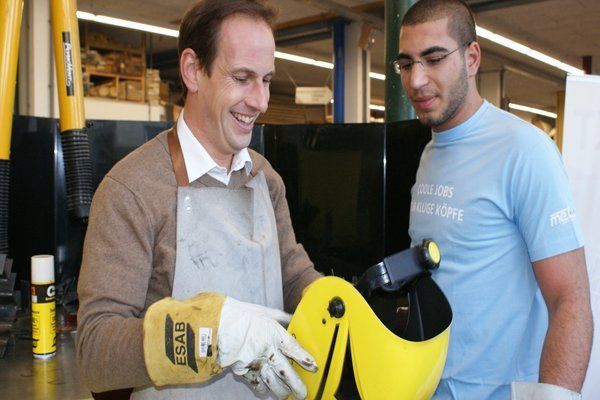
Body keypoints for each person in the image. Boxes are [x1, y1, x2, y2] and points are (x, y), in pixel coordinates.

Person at [76, 1, 322, 399]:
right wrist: (211, 333)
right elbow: (96, 350)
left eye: (266, 79)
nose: (260, 100)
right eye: (242, 78)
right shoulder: (132, 189)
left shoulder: (265, 178)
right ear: (193, 70)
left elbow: (292, 276)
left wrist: (333, 303)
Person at [396, 1, 593, 399]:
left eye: (434, 59)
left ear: (471, 58)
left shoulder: (524, 150)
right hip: (427, 383)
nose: (416, 79)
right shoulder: (431, 152)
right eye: (406, 63)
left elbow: (570, 301)